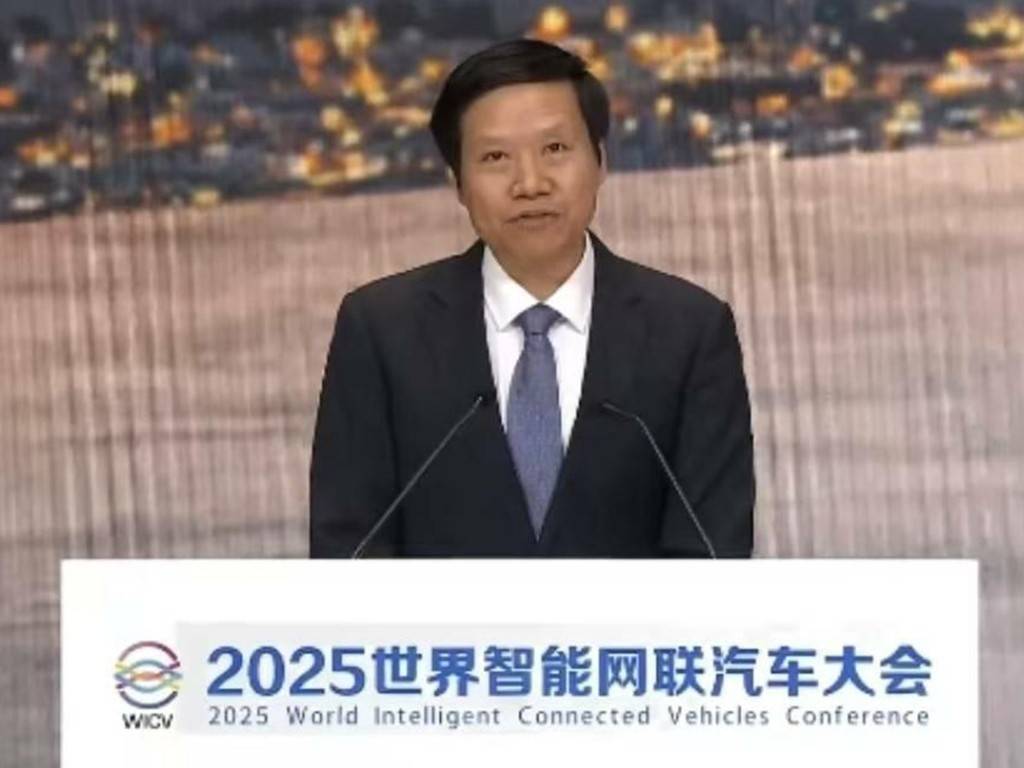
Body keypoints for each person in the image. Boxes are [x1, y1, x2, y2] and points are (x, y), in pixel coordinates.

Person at [310, 39, 754, 557]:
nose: (530, 183)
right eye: (496, 157)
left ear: (600, 162)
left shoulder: (690, 331)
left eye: (555, 149)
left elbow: (711, 553)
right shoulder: (381, 330)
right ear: (458, 183)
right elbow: (349, 549)